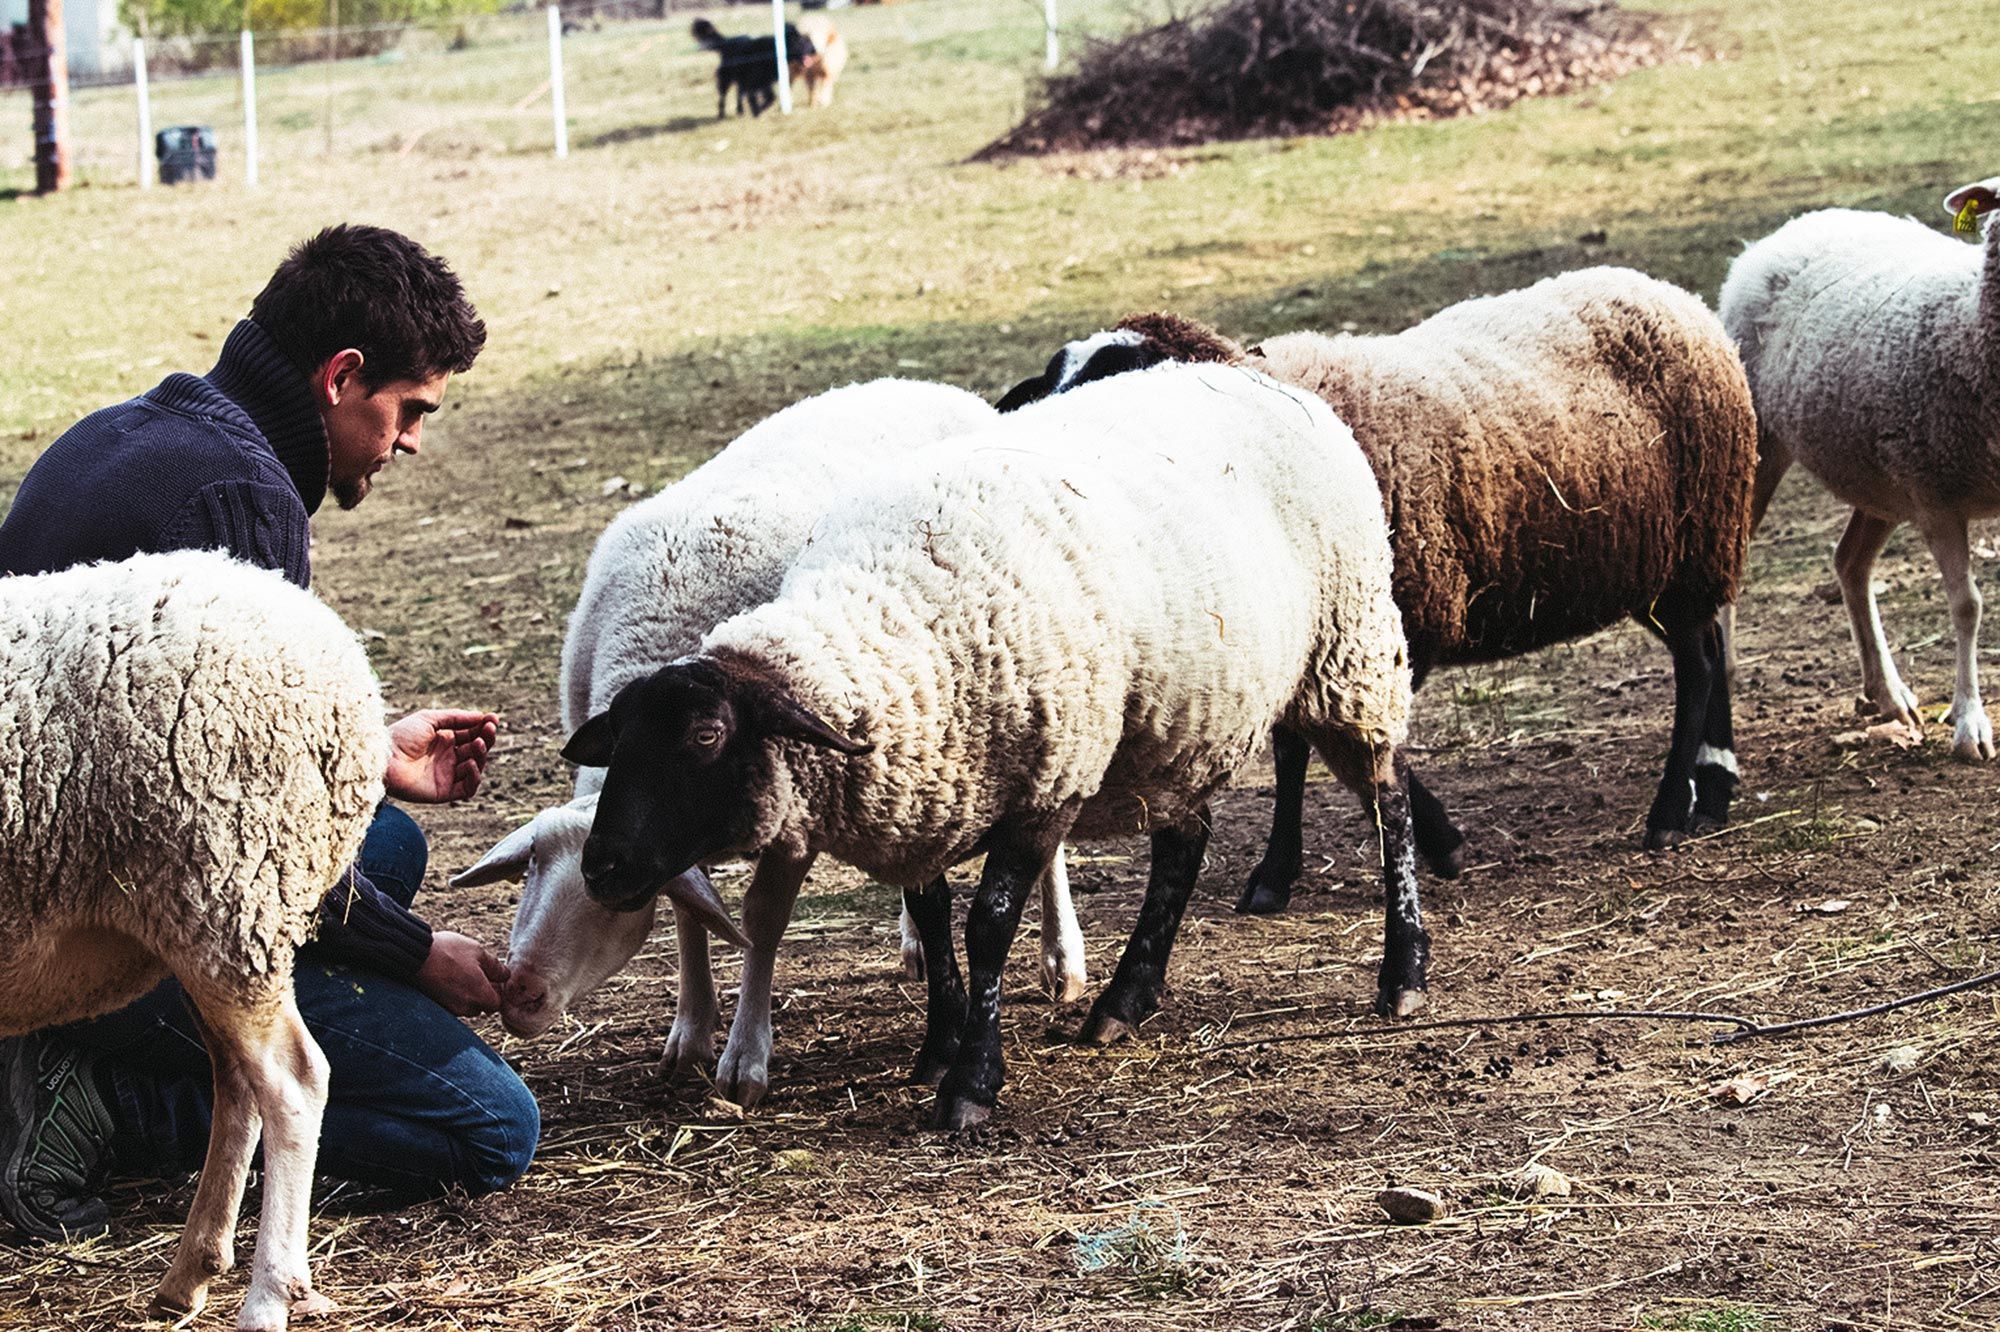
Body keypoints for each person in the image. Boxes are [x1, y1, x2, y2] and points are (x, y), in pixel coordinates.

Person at [0, 223, 538, 1241]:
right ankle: (96, 1104)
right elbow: (231, 843)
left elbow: (149, 745)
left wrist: (369, 752)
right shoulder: (241, 500)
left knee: (390, 839)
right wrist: (420, 952)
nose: (412, 441)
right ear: (342, 377)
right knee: (488, 1129)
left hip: (51, 848)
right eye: (408, 411)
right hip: (71, 913)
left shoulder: (140, 433)